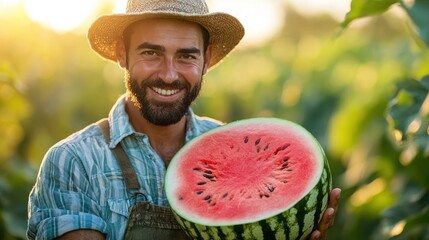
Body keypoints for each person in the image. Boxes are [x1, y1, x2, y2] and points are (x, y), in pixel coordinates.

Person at [27, 0, 341, 239]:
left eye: (186, 56)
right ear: (122, 54)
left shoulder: (229, 143)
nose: (168, 74)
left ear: (207, 59)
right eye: (151, 53)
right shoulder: (73, 162)